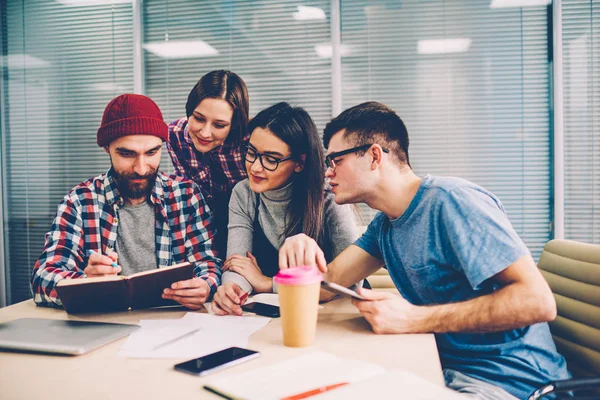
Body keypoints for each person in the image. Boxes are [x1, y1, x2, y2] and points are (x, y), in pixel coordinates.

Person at [277, 102, 570, 399]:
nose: (328, 173)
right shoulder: (385, 225)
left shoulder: (453, 202)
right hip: (439, 371)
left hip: (511, 384)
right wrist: (299, 245)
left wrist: (412, 319)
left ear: (375, 156)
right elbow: (330, 284)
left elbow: (538, 301)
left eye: (335, 160)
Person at [31, 94, 221, 310]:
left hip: (172, 326)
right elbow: (42, 279)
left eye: (152, 152)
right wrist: (82, 282)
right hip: (105, 329)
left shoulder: (187, 195)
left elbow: (209, 264)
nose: (141, 168)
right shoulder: (80, 202)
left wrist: (205, 286)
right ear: (107, 149)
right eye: (127, 154)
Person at [211, 102, 359, 316]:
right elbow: (238, 265)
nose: (255, 167)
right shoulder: (243, 193)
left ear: (299, 163)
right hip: (276, 315)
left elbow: (351, 284)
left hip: (333, 316)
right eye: (251, 152)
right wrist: (232, 291)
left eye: (271, 159)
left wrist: (267, 283)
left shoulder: (329, 198)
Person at [167, 70, 250, 256]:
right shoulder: (175, 135)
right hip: (204, 225)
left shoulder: (250, 143)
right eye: (198, 118)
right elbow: (190, 194)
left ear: (234, 124)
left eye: (219, 125)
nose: (205, 133)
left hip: (250, 226)